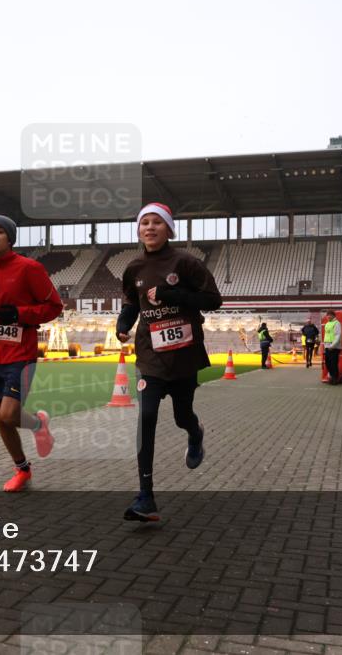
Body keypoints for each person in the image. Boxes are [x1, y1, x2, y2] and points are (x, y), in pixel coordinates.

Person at [116, 202, 222, 522]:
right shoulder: (134, 268)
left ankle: (195, 432)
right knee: (146, 417)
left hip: (183, 355)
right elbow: (131, 304)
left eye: (157, 222)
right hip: (150, 356)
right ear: (139, 230)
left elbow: (213, 300)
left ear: (169, 229)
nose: (149, 227)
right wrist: (123, 325)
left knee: (181, 416)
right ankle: (145, 497)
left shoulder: (186, 263)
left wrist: (174, 295)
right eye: (144, 223)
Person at [0, 215, 63, 491]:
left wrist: (19, 313)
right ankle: (22, 469)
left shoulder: (30, 268)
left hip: (21, 353)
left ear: (10, 238)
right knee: (1, 420)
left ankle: (38, 425)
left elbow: (54, 307)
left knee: (8, 414)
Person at [322, 310, 342, 385]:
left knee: (333, 363)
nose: (328, 316)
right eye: (327, 315)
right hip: (327, 346)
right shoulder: (327, 324)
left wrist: (332, 346)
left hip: (334, 347)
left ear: (334, 316)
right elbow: (326, 335)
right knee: (328, 363)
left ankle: (335, 379)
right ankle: (332, 377)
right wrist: (325, 346)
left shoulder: (337, 323)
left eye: (330, 315)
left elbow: (338, 335)